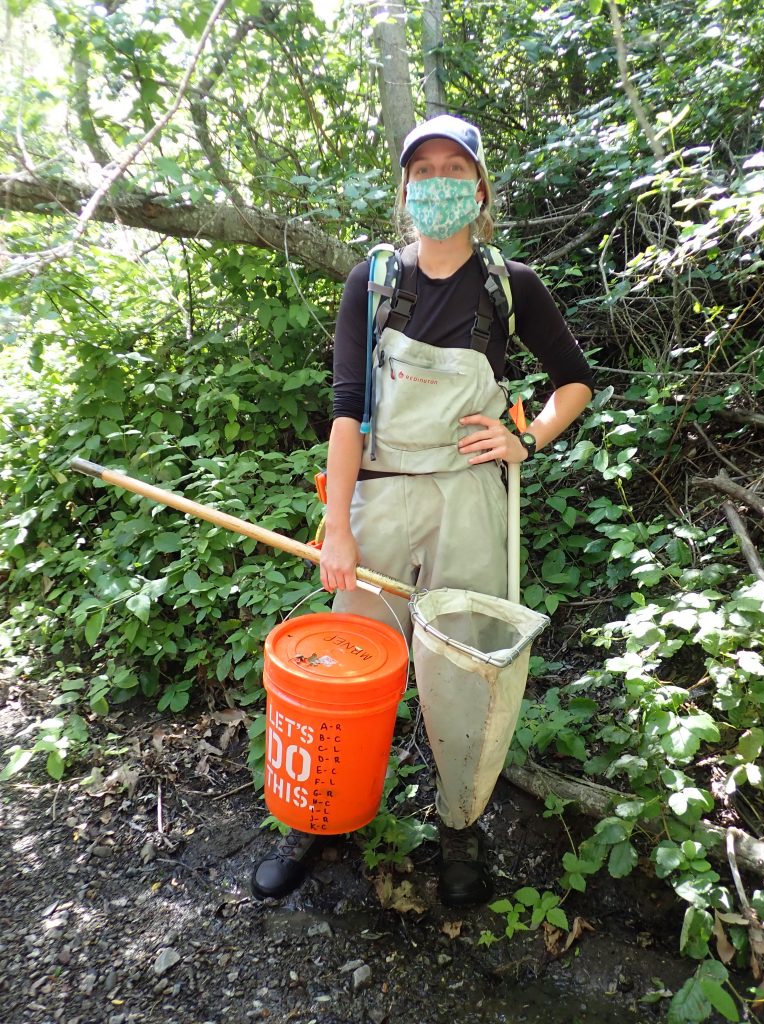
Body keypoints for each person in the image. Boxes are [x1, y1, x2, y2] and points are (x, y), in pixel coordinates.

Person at [251, 114, 594, 906]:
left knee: (465, 668)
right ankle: (321, 815)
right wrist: (337, 526)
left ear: (479, 187)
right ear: (405, 189)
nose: (438, 183)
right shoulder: (372, 282)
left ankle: (460, 826)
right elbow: (346, 410)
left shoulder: (513, 287)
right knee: (347, 660)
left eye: (453, 169)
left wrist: (528, 438)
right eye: (423, 170)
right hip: (379, 495)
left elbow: (572, 379)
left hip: (470, 499)